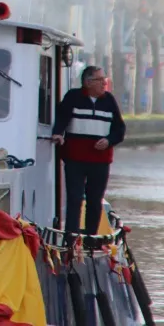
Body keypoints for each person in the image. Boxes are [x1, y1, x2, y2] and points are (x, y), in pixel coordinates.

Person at [51, 65, 126, 243]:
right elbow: (61, 117)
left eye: (104, 80)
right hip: (75, 159)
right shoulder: (73, 97)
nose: (104, 83)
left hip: (100, 162)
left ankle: (90, 240)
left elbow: (119, 129)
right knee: (74, 198)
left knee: (95, 200)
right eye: (101, 80)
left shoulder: (109, 101)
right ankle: (71, 239)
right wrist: (57, 133)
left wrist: (108, 140)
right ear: (88, 82)